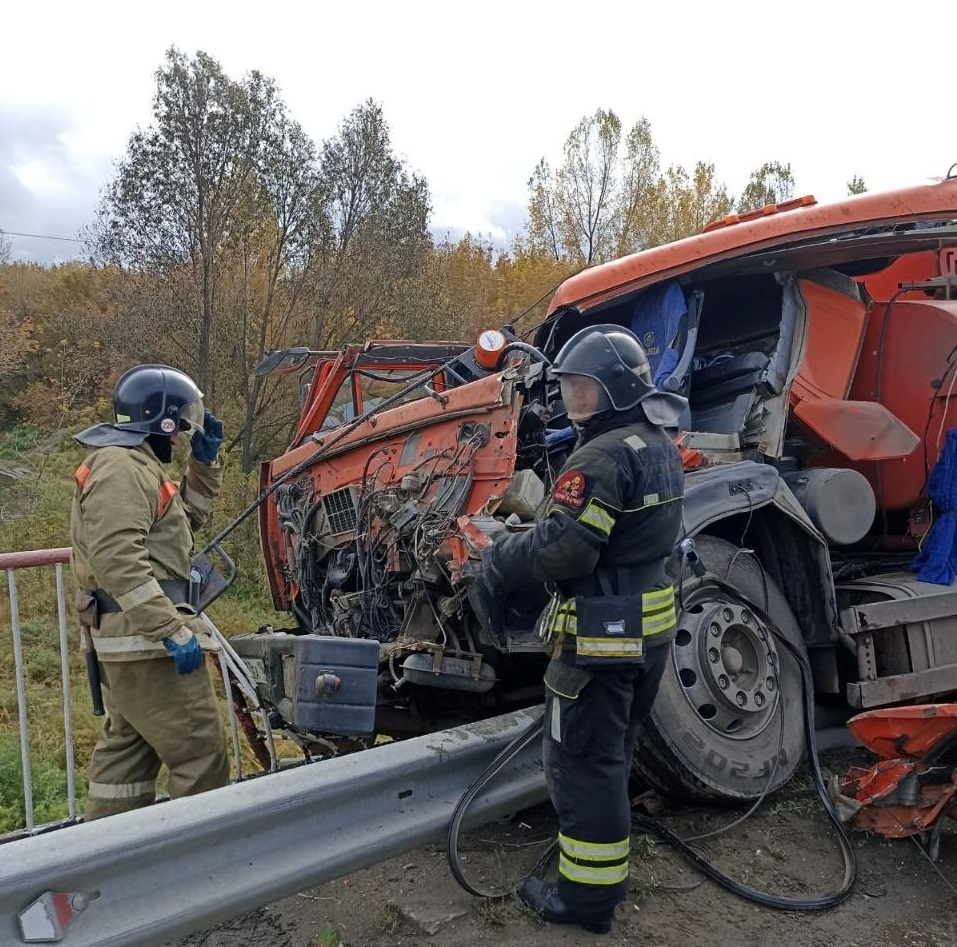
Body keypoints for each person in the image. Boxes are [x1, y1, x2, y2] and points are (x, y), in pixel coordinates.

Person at [475, 324, 686, 934]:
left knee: (581, 764)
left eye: (584, 391)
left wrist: (498, 557)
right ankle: (604, 874)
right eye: (567, 389)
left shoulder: (598, 457)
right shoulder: (659, 446)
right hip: (650, 632)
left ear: (615, 391)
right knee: (612, 756)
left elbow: (564, 551)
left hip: (601, 639)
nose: (573, 402)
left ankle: (585, 903)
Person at [70, 364, 229, 820]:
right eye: (178, 426)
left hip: (131, 645)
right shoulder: (122, 468)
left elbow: (184, 527)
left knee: (127, 760)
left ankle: (107, 861)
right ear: (157, 421)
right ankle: (204, 873)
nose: (179, 437)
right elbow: (118, 558)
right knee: (200, 756)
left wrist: (205, 463)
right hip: (147, 645)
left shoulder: (133, 465)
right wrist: (169, 629)